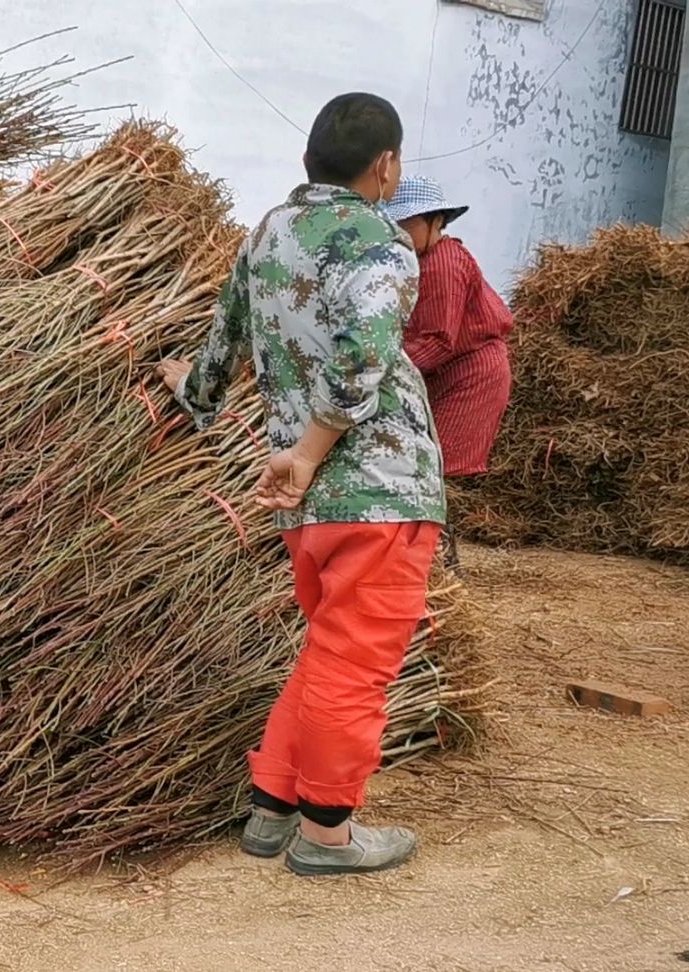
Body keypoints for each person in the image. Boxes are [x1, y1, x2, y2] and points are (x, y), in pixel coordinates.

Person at [157, 92, 444, 876]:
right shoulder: (383, 244)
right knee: (358, 667)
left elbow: (223, 343)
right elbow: (362, 360)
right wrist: (314, 450)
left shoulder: (269, 234)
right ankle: (328, 834)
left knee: (328, 652)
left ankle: (274, 804)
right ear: (385, 167)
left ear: (307, 160)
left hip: (308, 507)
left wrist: (196, 390)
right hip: (378, 490)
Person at [383, 176, 514, 572]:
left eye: (405, 225)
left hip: (468, 376)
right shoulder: (412, 260)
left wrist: (373, 371)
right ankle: (426, 560)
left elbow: (438, 341)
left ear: (434, 221)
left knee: (428, 469)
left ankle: (435, 566)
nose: (396, 233)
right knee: (415, 464)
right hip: (434, 373)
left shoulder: (442, 261)